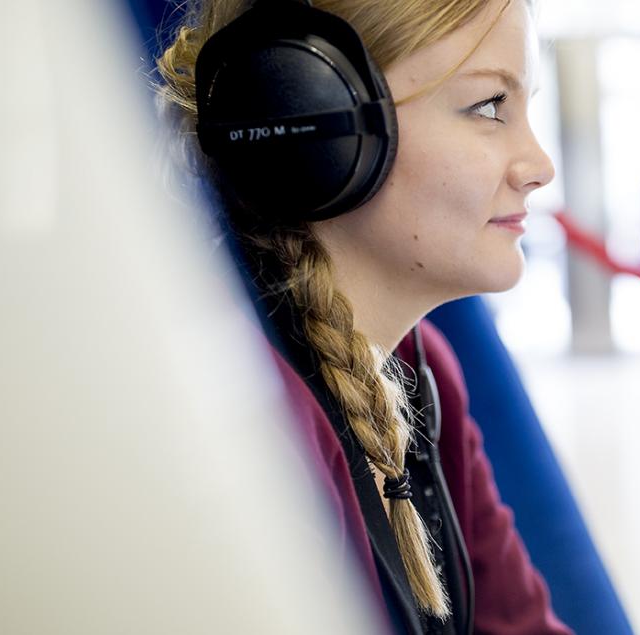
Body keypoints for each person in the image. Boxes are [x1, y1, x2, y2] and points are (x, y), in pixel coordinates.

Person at [155, 0, 565, 632]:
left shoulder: (422, 376)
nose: (539, 167)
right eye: (489, 107)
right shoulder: (258, 425)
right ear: (305, 114)